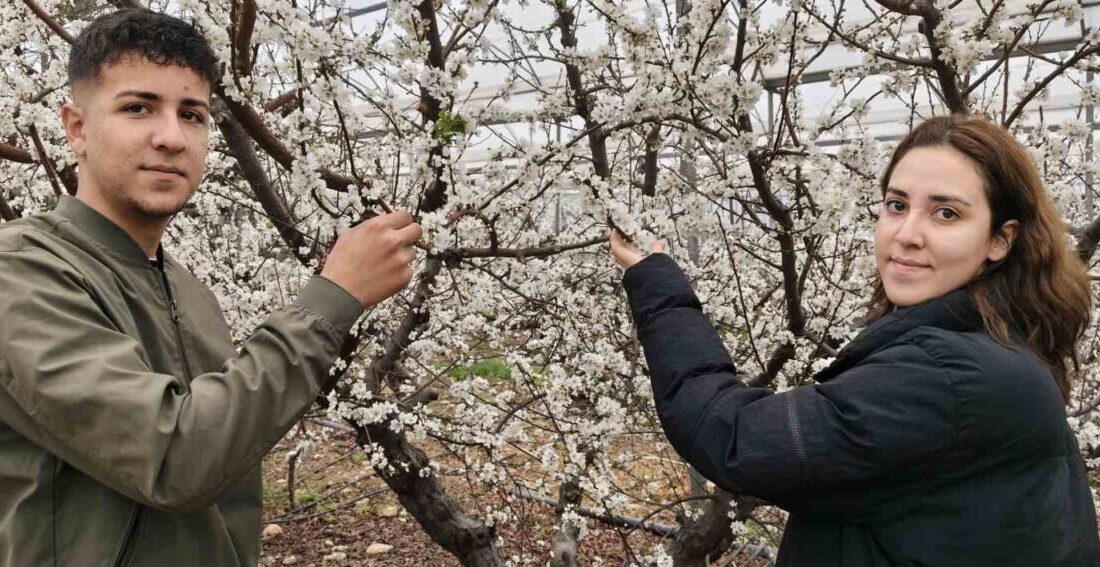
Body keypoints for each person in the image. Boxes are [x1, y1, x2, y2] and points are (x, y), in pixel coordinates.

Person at [0, 9, 421, 567]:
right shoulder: (20, 272)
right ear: (76, 126)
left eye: (192, 115)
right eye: (137, 108)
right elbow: (175, 460)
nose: (171, 137)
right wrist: (332, 298)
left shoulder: (188, 290)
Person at [610, 114, 1100, 565]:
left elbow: (732, 437)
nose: (907, 233)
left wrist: (659, 289)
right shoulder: (1000, 343)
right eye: (896, 205)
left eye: (946, 213)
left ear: (1000, 239)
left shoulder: (952, 379)